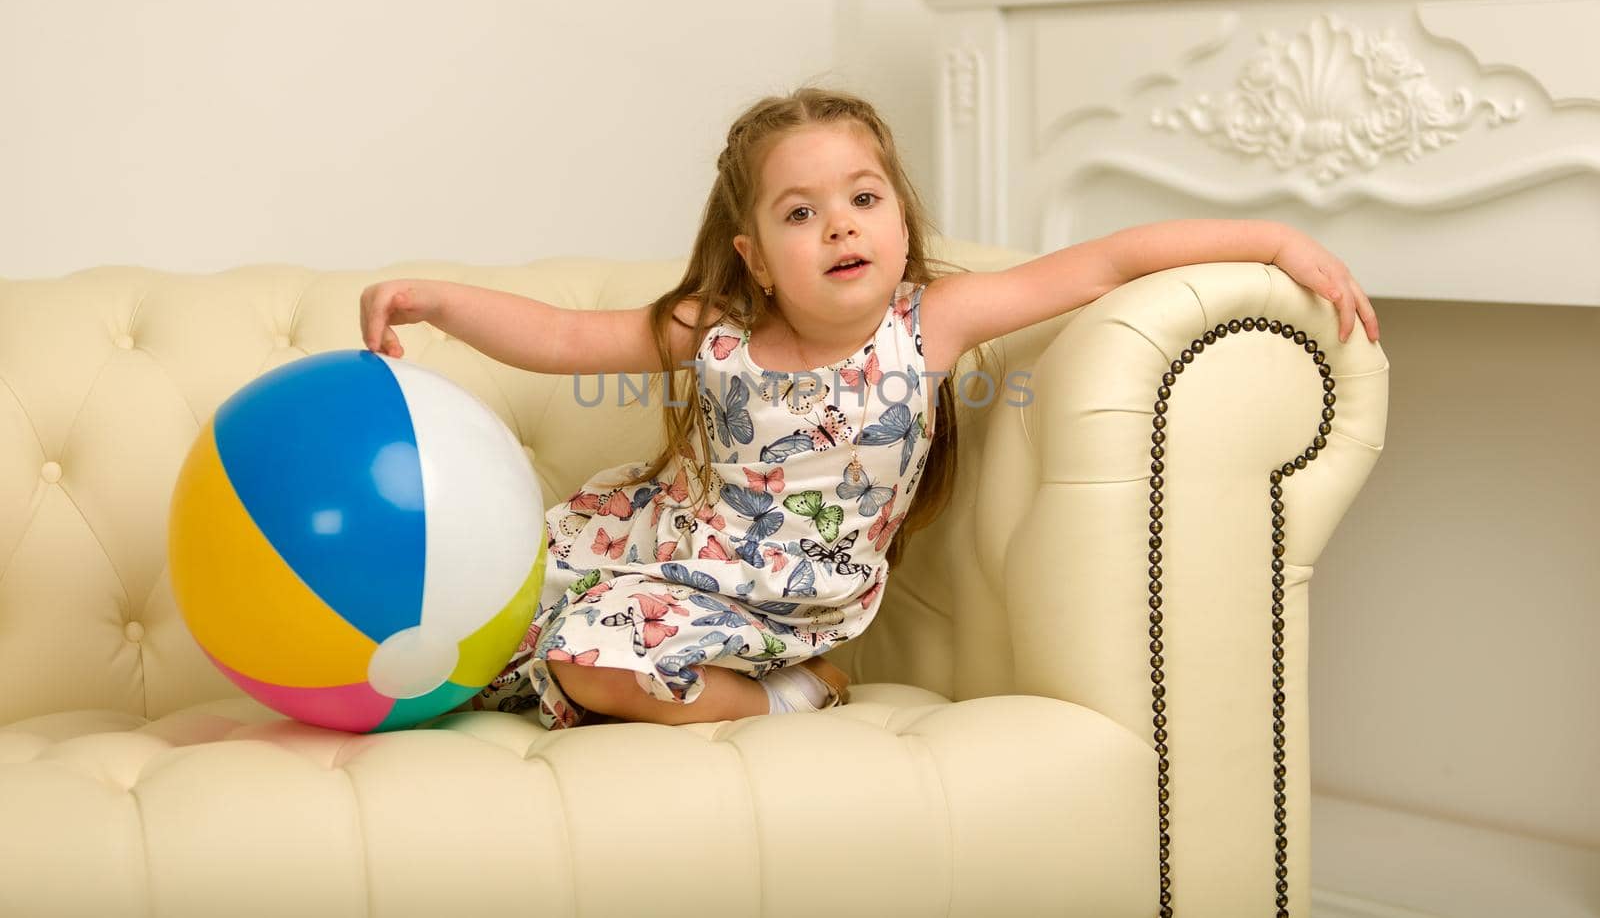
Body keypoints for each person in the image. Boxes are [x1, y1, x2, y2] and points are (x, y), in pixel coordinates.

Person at [358, 87, 1380, 730]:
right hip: (646, 540)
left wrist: (1276, 240)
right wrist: (440, 301)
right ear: (755, 253)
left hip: (780, 595)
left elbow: (1105, 259)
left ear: (897, 215)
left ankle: (788, 693)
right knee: (480, 609)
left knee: (587, 661)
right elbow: (566, 337)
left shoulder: (928, 324)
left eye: (862, 197)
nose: (838, 225)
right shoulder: (712, 325)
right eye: (800, 212)